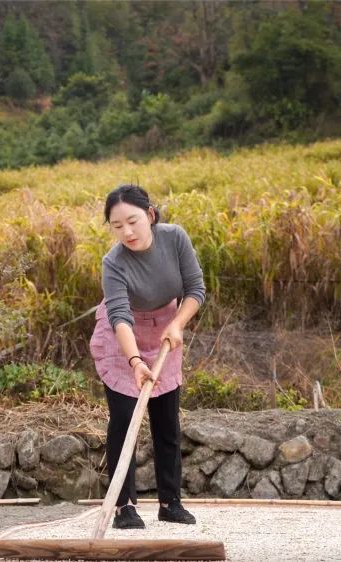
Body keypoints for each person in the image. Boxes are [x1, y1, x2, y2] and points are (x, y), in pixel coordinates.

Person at [89, 184, 205, 529]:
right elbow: (119, 317)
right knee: (125, 422)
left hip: (167, 332)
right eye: (117, 225)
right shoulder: (113, 263)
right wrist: (136, 361)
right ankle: (124, 507)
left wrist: (178, 324)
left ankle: (170, 503)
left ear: (150, 215)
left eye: (133, 221)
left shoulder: (175, 238)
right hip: (122, 339)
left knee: (167, 421)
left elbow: (195, 289)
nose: (127, 231)